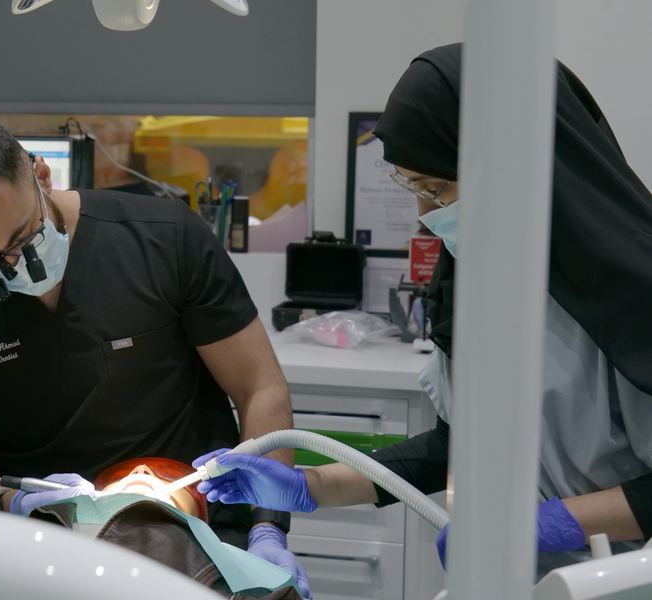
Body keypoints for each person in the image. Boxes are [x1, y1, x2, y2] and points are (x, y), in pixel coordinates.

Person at [194, 43, 652, 575]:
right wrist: (313, 486)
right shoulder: (473, 281)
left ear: (517, 167)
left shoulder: (632, 288)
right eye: (412, 187)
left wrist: (554, 524)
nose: (423, 214)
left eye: (437, 189)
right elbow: (451, 446)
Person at [0, 118, 309, 595]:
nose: (14, 269)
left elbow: (259, 387)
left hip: (198, 530)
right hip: (51, 545)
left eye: (21, 241)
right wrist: (15, 504)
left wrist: (266, 526)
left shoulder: (163, 239)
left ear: (42, 176)